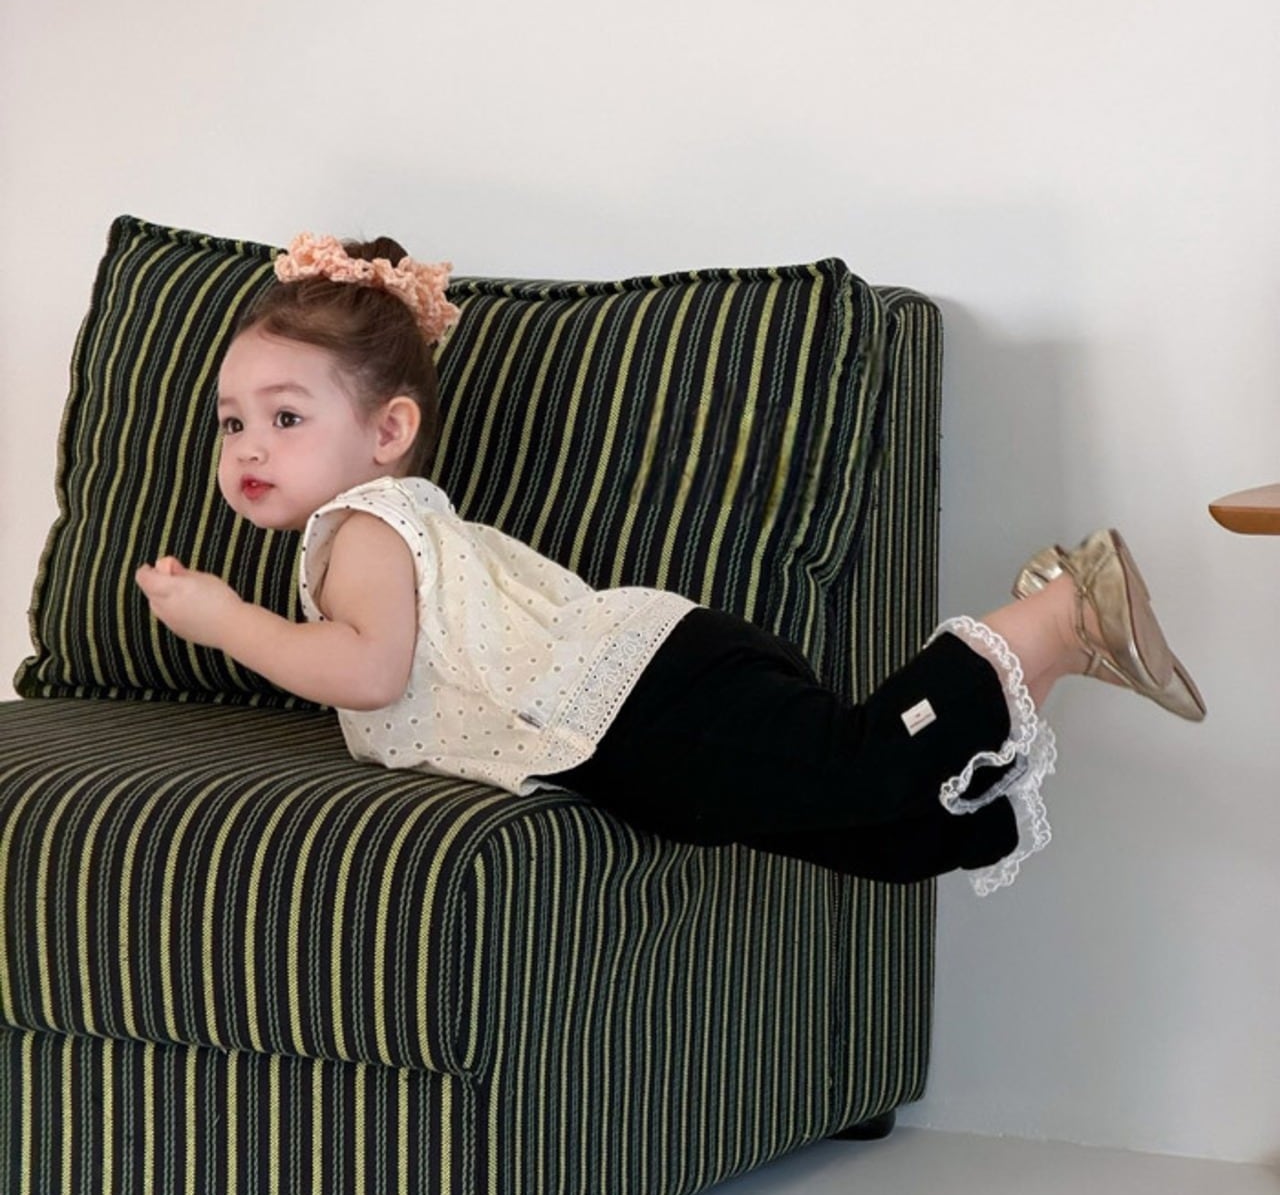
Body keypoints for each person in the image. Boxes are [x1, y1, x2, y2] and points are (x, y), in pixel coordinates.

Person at [136, 234, 1206, 898]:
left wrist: (222, 617)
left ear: (388, 432)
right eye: (232, 422)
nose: (250, 447)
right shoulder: (390, 518)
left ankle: (1054, 613)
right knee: (889, 835)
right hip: (625, 716)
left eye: (285, 417)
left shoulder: (362, 529)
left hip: (639, 695)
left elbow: (367, 671)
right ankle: (1049, 659)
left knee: (861, 766)